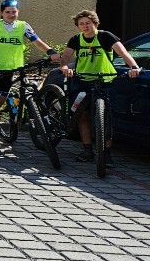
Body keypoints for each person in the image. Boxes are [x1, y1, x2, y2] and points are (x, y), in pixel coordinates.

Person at [0, 0, 61, 156]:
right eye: (7, 12)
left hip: (10, 72)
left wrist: (50, 51)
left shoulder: (23, 26)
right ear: (2, 13)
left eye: (14, 12)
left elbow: (37, 41)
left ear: (18, 12)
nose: (11, 14)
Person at [60, 9, 140, 165]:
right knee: (83, 115)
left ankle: (106, 153)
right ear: (78, 26)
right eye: (81, 24)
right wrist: (64, 67)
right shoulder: (76, 39)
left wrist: (134, 67)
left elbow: (123, 53)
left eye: (88, 23)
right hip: (82, 80)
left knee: (105, 118)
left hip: (105, 80)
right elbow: (66, 57)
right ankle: (87, 150)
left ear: (95, 24)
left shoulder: (106, 36)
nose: (85, 26)